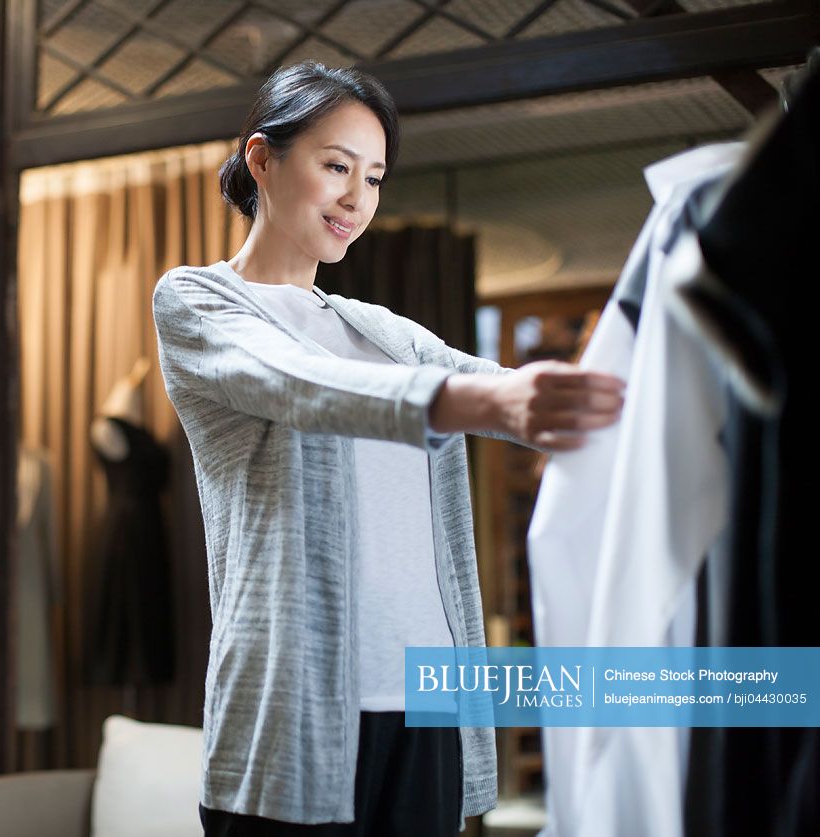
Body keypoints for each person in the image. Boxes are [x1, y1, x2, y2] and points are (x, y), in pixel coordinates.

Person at [151, 61, 625, 836]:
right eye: (335, 167)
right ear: (261, 160)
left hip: (429, 697)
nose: (355, 199)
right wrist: (485, 399)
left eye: (372, 178)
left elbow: (505, 390)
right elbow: (301, 383)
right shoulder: (198, 300)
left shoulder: (379, 328)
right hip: (295, 703)